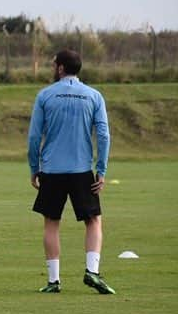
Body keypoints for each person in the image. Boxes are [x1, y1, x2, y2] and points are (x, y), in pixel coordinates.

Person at [28, 49, 114, 294]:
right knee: (93, 220)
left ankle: (54, 281)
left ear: (61, 68)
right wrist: (101, 169)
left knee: (51, 223)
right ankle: (92, 271)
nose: (53, 68)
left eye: (54, 64)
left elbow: (35, 136)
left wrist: (34, 168)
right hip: (81, 170)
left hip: (52, 170)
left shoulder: (45, 95)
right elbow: (104, 135)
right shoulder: (94, 96)